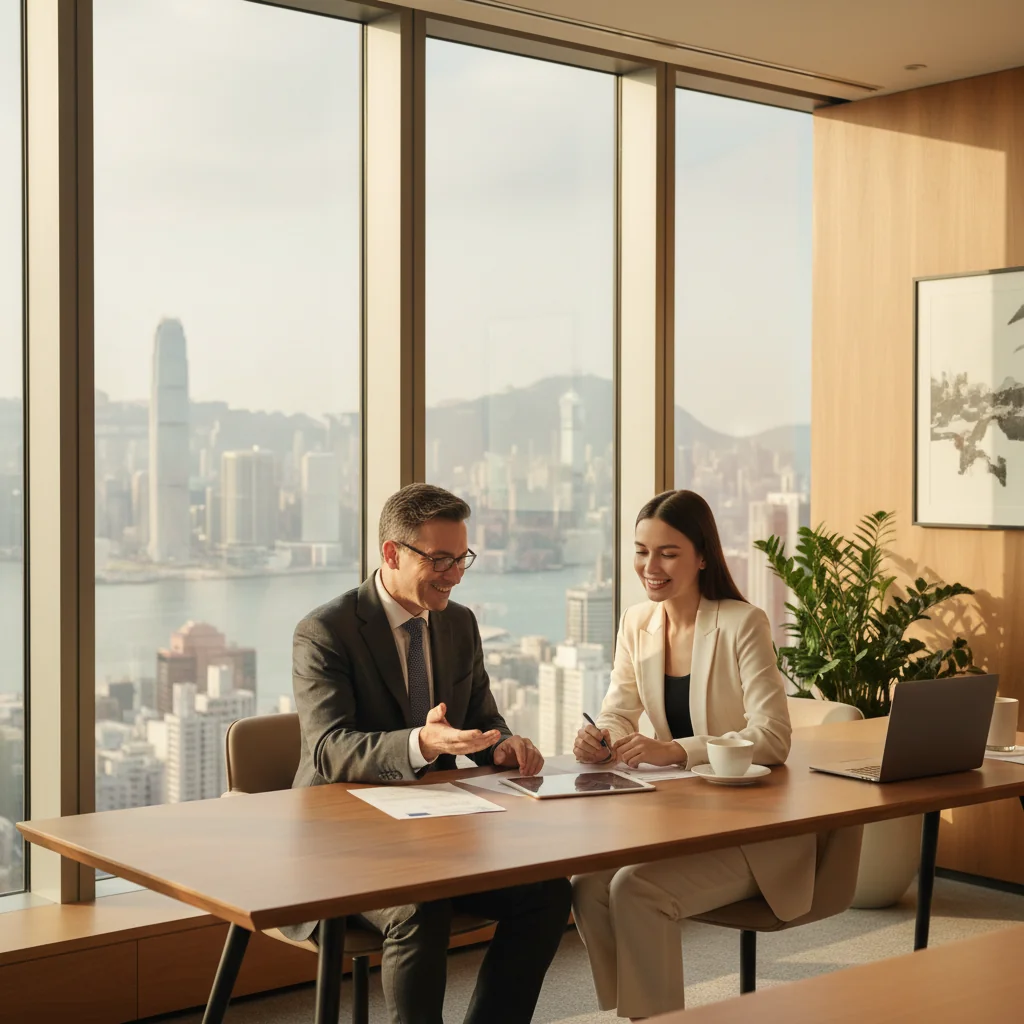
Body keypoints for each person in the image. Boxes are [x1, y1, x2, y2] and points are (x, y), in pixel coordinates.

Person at [286, 482, 571, 1024]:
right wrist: (420, 744)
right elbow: (327, 749)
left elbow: (483, 714)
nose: (455, 574)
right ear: (392, 553)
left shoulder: (458, 622)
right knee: (420, 904)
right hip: (345, 844)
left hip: (440, 838)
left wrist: (503, 742)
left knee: (548, 894)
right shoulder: (325, 631)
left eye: (462, 558)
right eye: (440, 559)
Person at [570, 489, 817, 1021]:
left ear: (702, 555)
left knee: (636, 888)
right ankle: (638, 1011)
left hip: (754, 833)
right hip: (679, 823)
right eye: (641, 551)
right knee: (588, 884)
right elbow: (618, 709)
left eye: (667, 552)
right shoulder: (638, 622)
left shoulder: (741, 623)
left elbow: (773, 736)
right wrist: (601, 737)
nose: (649, 566)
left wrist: (675, 751)